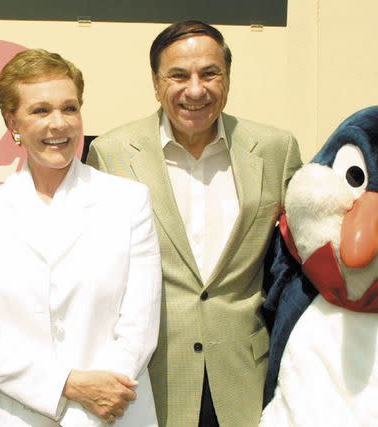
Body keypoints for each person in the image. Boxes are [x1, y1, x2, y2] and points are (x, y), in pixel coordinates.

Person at [86, 21, 302, 427]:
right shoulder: (111, 154)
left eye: (210, 73)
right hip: (151, 376)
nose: (196, 89)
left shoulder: (276, 149)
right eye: (178, 75)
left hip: (245, 374)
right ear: (155, 82)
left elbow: (301, 256)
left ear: (228, 77)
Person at [0, 49, 161, 427]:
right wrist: (67, 385)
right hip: (14, 416)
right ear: (11, 121)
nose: (58, 124)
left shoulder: (128, 203)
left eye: (69, 108)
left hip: (112, 415)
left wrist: (99, 400)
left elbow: (140, 326)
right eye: (41, 110)